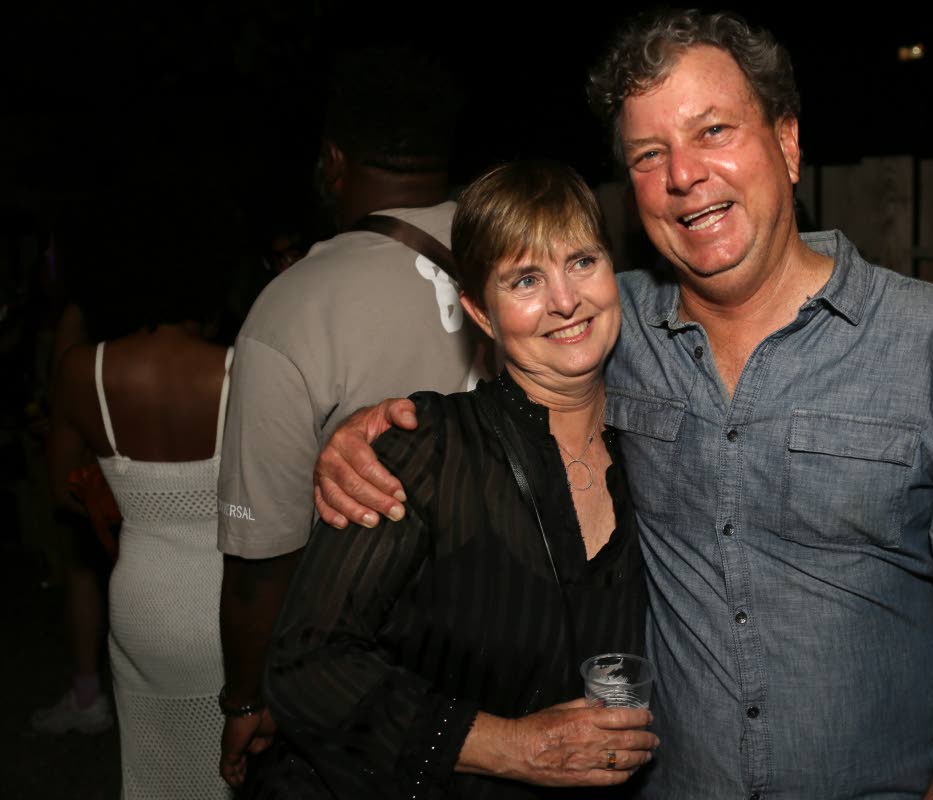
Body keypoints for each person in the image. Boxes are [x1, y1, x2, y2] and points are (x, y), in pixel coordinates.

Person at [313, 10, 933, 799]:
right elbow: (507, 379)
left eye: (713, 131)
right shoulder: (608, 324)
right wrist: (371, 431)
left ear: (788, 143)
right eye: (649, 154)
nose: (683, 174)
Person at [247, 160, 655, 799]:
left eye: (582, 262)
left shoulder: (654, 444)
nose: (565, 300)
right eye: (526, 279)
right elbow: (306, 664)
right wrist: (512, 747)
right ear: (481, 313)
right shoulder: (425, 449)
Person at [215, 47, 482, 787]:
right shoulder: (520, 255)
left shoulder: (294, 307)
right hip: (506, 655)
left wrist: (247, 698)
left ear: (333, 161)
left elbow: (263, 561)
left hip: (366, 688)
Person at [48, 190, 237, 799]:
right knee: (237, 767)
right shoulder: (242, 369)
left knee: (156, 774)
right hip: (230, 600)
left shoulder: (83, 370)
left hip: (141, 596)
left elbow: (64, 491)